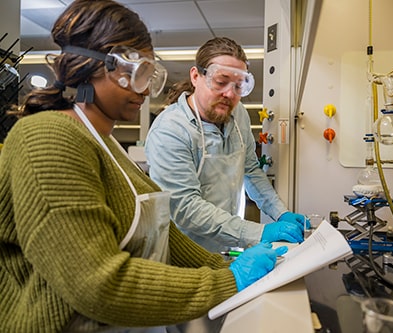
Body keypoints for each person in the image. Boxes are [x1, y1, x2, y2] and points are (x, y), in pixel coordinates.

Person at [0, 1, 287, 332]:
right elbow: (97, 284)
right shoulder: (47, 138)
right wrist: (226, 282)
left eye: (151, 75)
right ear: (88, 65)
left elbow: (167, 235)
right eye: (135, 75)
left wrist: (222, 267)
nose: (146, 90)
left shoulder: (105, 145)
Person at [145, 37, 310, 253]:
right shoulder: (170, 130)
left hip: (229, 247)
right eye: (221, 82)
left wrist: (280, 212)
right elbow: (185, 208)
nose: (230, 94)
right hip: (185, 255)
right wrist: (258, 233)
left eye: (239, 86)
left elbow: (250, 169)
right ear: (196, 76)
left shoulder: (237, 114)